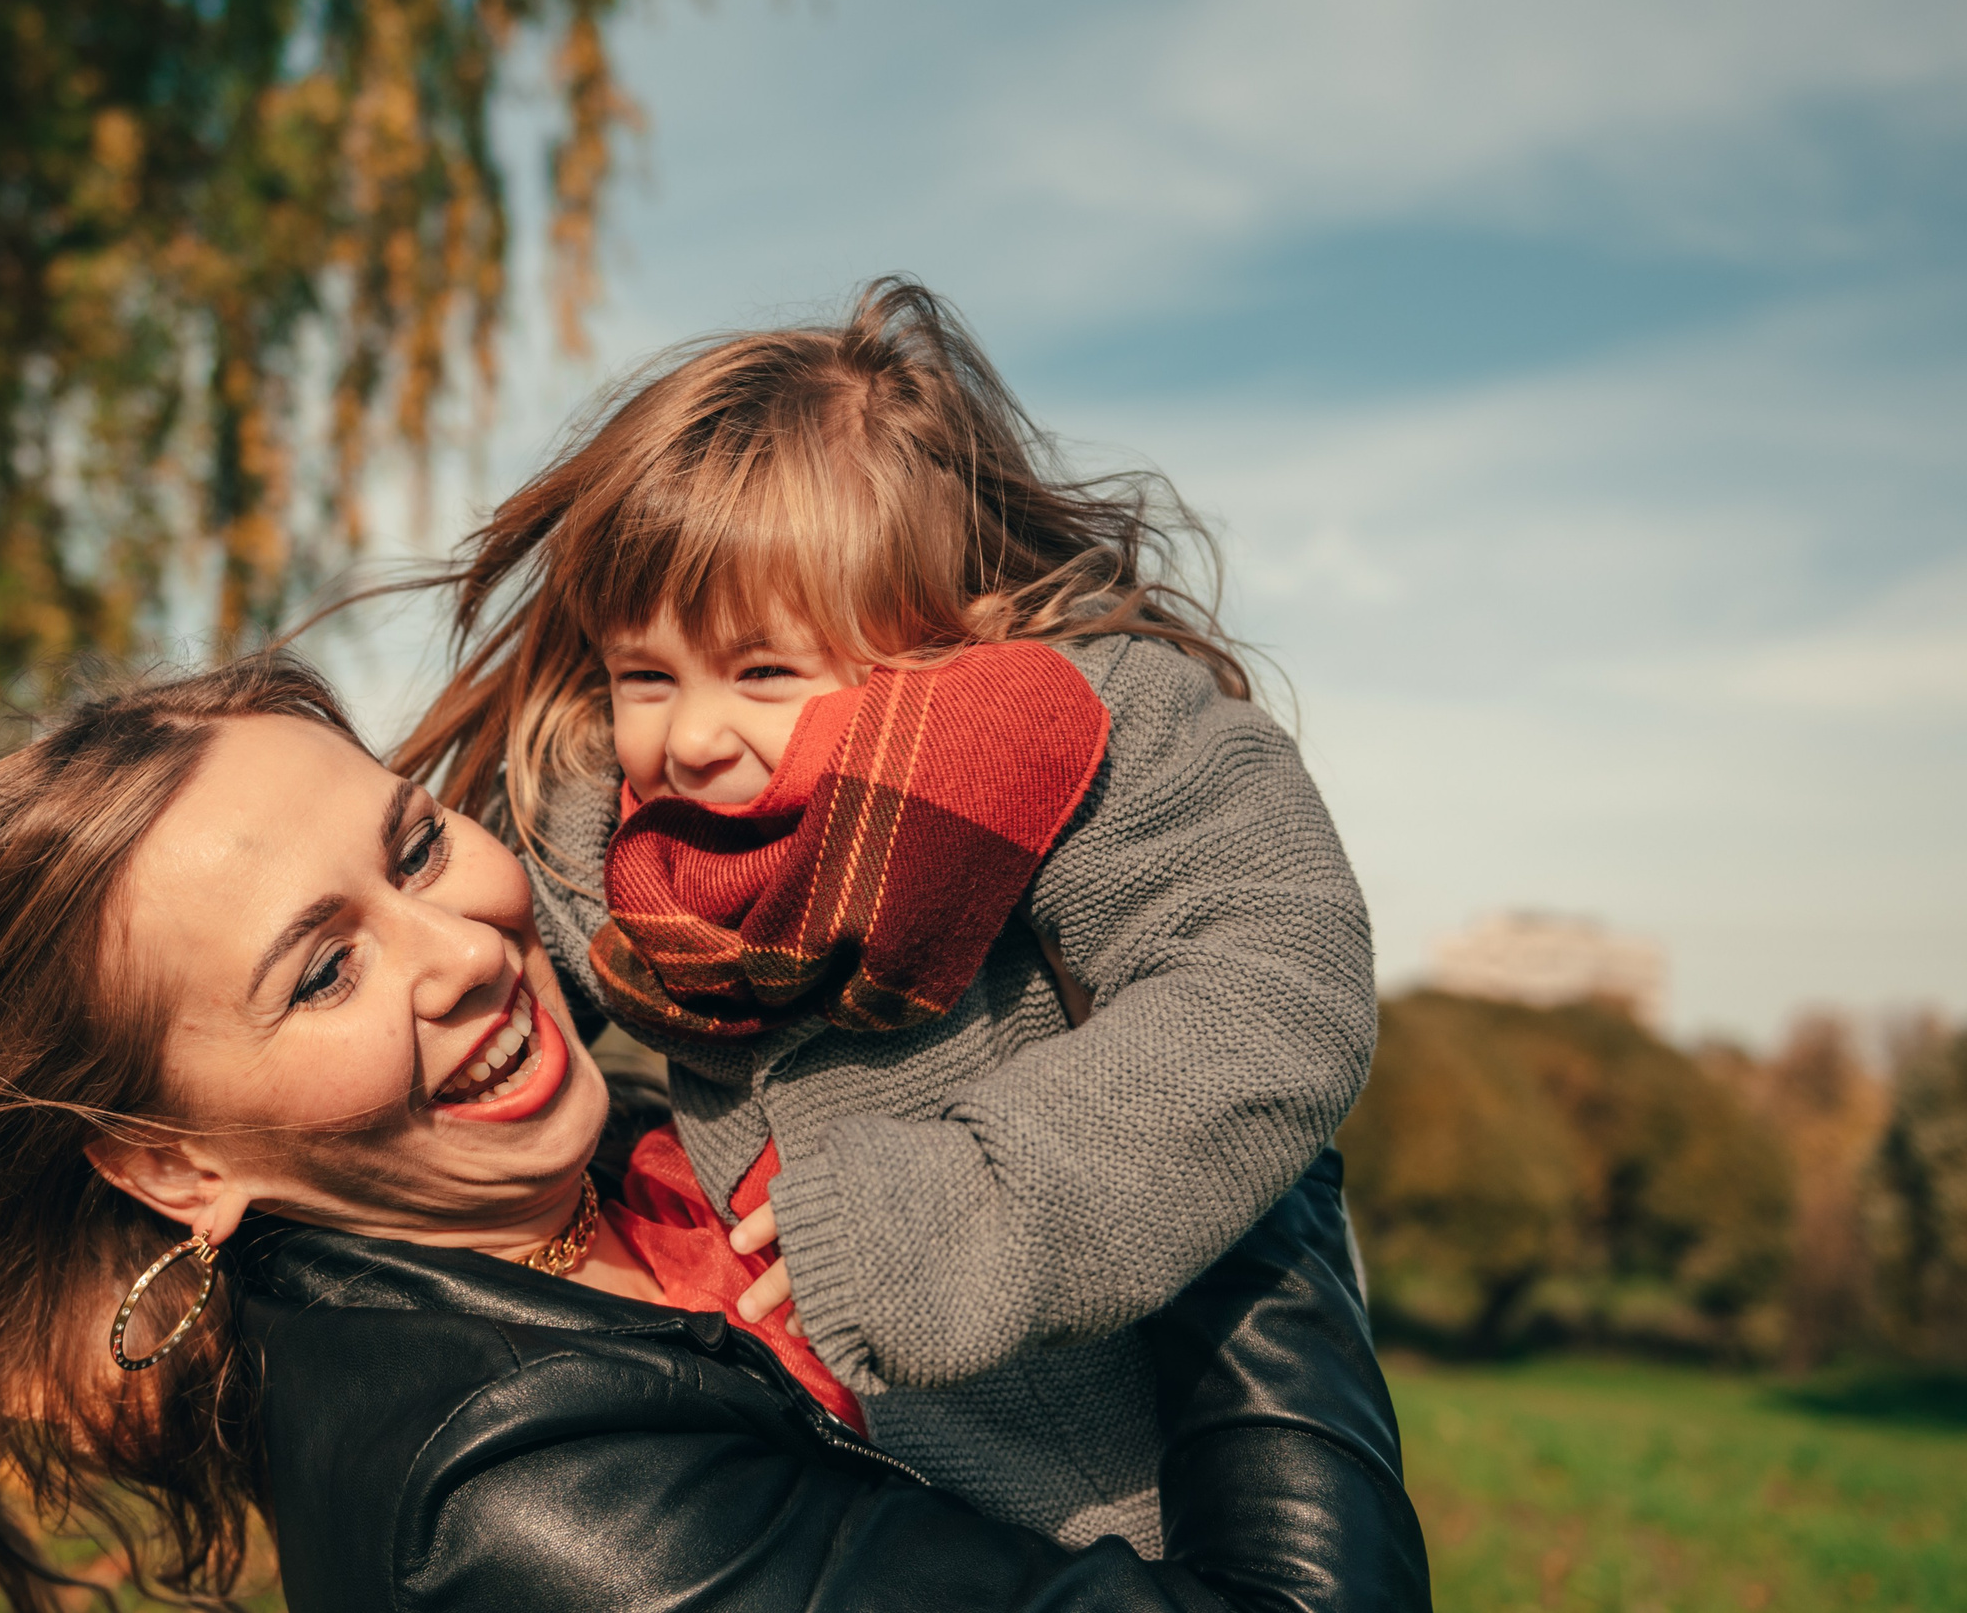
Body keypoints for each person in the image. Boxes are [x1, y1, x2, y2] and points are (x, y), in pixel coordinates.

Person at [0, 652, 1429, 1613]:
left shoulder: (628, 1160)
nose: (464, 947)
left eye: (419, 845)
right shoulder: (533, 1496)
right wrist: (1213, 1085)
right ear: (172, 1162)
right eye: (325, 969)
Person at [393, 277, 1378, 1547]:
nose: (692, 736)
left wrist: (973, 1199)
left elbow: (1270, 981)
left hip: (1127, 1518)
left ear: (942, 631)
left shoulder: (1079, 742)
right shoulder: (615, 849)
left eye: (763, 671)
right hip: (828, 1504)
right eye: (647, 672)